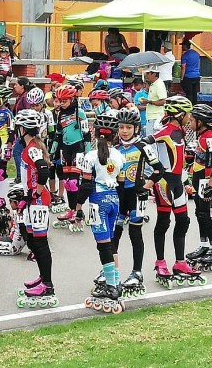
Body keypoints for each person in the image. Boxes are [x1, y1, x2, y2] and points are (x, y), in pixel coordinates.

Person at [142, 96, 205, 289]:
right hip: (164, 183)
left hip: (178, 182)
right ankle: (160, 262)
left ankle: (180, 262)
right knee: (163, 222)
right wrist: (155, 166)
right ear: (180, 114)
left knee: (183, 221)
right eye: (188, 114)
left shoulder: (181, 131)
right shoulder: (166, 131)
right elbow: (143, 144)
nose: (190, 117)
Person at [113, 107, 164, 297]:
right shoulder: (114, 148)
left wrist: (146, 187)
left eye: (128, 127)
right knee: (114, 235)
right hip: (118, 196)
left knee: (135, 234)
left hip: (136, 197)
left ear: (136, 128)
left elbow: (159, 170)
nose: (124, 131)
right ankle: (110, 271)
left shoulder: (143, 146)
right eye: (121, 127)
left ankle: (137, 272)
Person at [77, 114, 125, 313]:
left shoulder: (90, 156)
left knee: (103, 245)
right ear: (115, 135)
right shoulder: (119, 155)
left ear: (95, 134)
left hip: (98, 201)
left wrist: (78, 207)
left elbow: (86, 185)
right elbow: (122, 182)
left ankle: (111, 286)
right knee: (110, 243)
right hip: (114, 199)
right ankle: (115, 281)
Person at [14, 109, 58, 308]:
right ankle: (43, 276)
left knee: (40, 243)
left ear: (23, 129)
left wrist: (36, 193)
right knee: (32, 240)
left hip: (38, 201)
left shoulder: (32, 148)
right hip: (32, 199)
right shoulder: (31, 146)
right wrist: (27, 197)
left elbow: (43, 170)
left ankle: (47, 285)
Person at [184, 105, 212, 272]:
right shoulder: (200, 134)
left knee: (204, 214)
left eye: (192, 120)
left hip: (205, 180)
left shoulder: (210, 136)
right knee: (199, 212)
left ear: (201, 122)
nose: (190, 122)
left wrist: (210, 184)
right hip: (198, 177)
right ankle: (204, 245)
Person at [51, 85, 90, 231]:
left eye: (64, 101)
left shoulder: (80, 113)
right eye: (60, 101)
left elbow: (86, 134)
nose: (61, 104)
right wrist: (52, 151)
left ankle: (78, 211)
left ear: (72, 99)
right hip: (65, 149)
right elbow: (58, 135)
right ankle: (71, 209)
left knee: (74, 182)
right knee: (67, 183)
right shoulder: (61, 114)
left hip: (77, 148)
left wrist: (88, 154)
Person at [140, 66, 167, 135]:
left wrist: (149, 102)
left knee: (151, 139)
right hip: (152, 117)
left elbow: (163, 101)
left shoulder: (159, 84)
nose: (146, 75)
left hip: (155, 117)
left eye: (148, 73)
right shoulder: (153, 84)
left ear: (154, 74)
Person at [180, 40, 201, 105]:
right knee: (195, 93)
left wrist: (181, 78)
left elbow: (183, 67)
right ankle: (195, 106)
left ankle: (189, 107)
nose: (182, 47)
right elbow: (198, 64)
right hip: (196, 76)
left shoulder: (185, 55)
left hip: (188, 76)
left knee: (189, 94)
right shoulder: (196, 53)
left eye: (182, 45)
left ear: (185, 46)